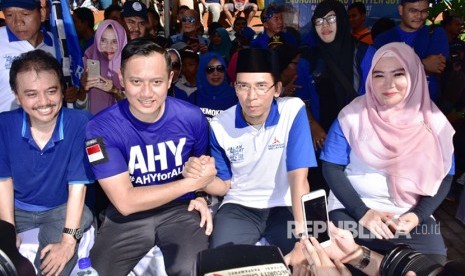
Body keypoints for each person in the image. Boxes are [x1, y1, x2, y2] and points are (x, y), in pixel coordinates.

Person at [86, 38, 216, 275]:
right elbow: (125, 202)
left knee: (193, 269)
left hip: (180, 211)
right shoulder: (99, 129)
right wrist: (191, 184)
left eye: (156, 82)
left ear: (169, 80)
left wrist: (198, 193)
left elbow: (200, 166)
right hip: (127, 217)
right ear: (121, 79)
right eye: (136, 81)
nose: (146, 93)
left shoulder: (192, 117)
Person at [320, 42, 455, 264]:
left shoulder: (434, 123)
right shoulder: (351, 117)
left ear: (414, 75)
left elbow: (447, 175)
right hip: (353, 209)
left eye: (398, 74)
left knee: (431, 266)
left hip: (410, 215)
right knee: (347, 260)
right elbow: (331, 167)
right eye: (379, 75)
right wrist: (363, 212)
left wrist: (417, 215)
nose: (388, 84)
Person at [184, 48, 317, 266]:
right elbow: (224, 185)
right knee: (221, 264)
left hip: (284, 206)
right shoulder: (220, 125)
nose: (252, 96)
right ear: (235, 88)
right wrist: (202, 178)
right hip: (239, 207)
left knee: (307, 262)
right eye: (243, 86)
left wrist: (304, 236)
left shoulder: (292, 111)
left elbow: (298, 179)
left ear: (277, 89)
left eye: (261, 86)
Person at [0, 49, 94, 276]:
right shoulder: (4, 125)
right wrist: (8, 231)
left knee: (54, 265)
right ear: (17, 95)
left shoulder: (80, 123)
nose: (44, 102)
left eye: (51, 91)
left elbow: (77, 187)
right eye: (31, 94)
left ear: (62, 90)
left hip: (60, 210)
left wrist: (68, 242)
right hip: (16, 207)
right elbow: (3, 182)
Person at [372, 0, 449, 103]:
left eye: (424, 11)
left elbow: (437, 65)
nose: (419, 16)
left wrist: (398, 69)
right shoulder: (383, 39)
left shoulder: (435, 33)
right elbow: (379, 74)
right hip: (392, 104)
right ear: (401, 10)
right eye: (413, 11)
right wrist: (423, 65)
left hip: (427, 104)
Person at [0, 0, 56, 112]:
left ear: (42, 14)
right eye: (9, 15)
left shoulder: (58, 44)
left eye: (25, 14)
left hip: (47, 125)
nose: (18, 22)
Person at [78, 20, 127, 114]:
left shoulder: (129, 67)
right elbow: (77, 106)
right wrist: (83, 88)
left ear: (121, 42)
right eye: (103, 40)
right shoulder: (86, 62)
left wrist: (115, 91)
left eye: (114, 42)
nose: (108, 47)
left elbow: (134, 107)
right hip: (93, 124)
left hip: (121, 125)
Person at [188, 52, 237, 120]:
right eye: (210, 69)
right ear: (203, 72)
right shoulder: (194, 98)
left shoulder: (235, 97)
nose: (216, 73)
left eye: (220, 68)